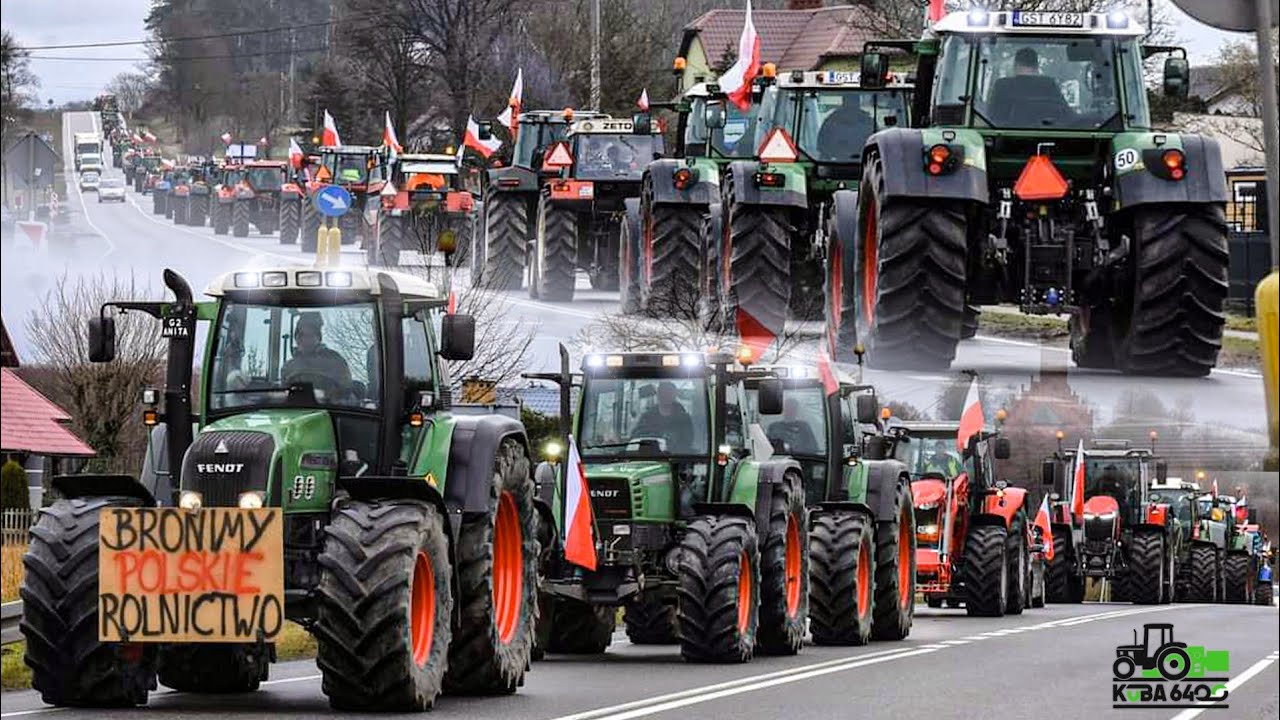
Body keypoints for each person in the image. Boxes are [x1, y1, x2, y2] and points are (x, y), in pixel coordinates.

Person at [986, 47, 1071, 127]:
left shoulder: (1003, 86)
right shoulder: (1049, 85)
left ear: (1015, 65)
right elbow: (1067, 116)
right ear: (1036, 66)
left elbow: (991, 118)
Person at [283, 314, 353, 397]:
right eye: (301, 335)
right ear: (296, 338)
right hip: (296, 404)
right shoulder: (289, 366)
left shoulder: (335, 361)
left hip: (329, 404)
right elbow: (283, 394)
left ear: (318, 338)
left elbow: (346, 391)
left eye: (310, 335)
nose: (305, 339)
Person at [632, 381, 694, 451]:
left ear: (674, 395)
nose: (665, 396)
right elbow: (636, 437)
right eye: (663, 393)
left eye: (669, 393)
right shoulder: (647, 417)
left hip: (677, 456)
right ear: (658, 395)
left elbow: (687, 442)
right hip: (651, 454)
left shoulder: (684, 419)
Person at [816, 94, 876, 160]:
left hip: (864, 162)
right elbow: (822, 149)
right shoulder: (831, 122)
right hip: (836, 162)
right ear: (844, 103)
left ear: (858, 103)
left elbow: (877, 146)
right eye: (849, 102)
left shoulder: (869, 123)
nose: (852, 104)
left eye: (854, 102)